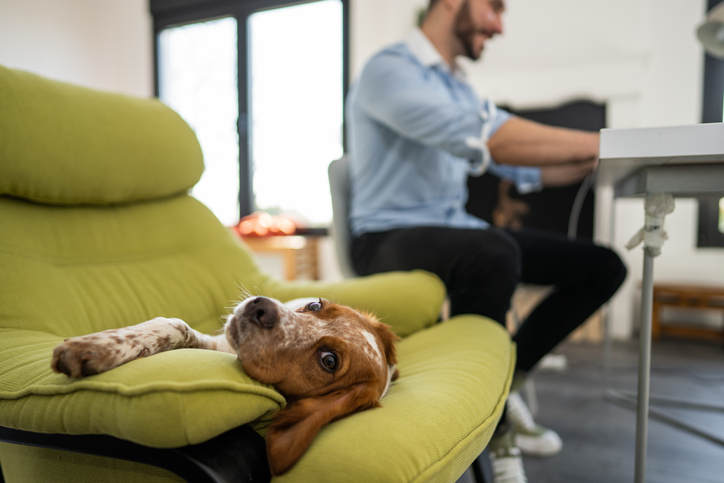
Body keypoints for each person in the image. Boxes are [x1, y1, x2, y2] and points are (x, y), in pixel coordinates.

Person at [345, 0, 627, 481]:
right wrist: (600, 143)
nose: (499, 25)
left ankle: (505, 379)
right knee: (494, 251)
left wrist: (612, 157)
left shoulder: (458, 87)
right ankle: (491, 427)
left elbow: (523, 164)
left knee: (603, 266)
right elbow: (488, 138)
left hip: (452, 229)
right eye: (494, 7)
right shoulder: (388, 69)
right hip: (384, 236)